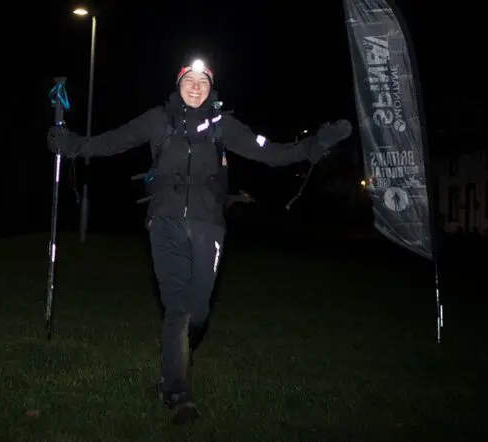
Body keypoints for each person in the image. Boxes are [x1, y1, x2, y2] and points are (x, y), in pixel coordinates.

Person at [47, 58, 352, 424]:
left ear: (211, 88)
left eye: (202, 81)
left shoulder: (223, 125)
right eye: (189, 80)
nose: (195, 86)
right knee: (177, 308)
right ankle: (177, 391)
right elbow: (113, 141)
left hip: (208, 225)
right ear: (178, 85)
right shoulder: (158, 119)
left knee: (199, 311)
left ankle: (180, 347)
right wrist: (72, 145)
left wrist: (315, 145)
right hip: (165, 222)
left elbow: (271, 153)